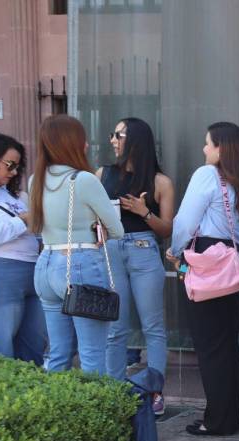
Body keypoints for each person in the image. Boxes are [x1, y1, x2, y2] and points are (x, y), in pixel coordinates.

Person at [167, 122, 239, 437]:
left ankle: (217, 420)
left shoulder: (207, 175)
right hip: (235, 263)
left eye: (208, 143)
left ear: (220, 147)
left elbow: (185, 221)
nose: (204, 150)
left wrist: (175, 250)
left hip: (208, 260)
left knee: (210, 347)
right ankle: (230, 415)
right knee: (227, 345)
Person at [29, 115, 123, 375]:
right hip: (80, 263)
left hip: (46, 264)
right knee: (92, 354)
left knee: (58, 352)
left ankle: (58, 414)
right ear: (74, 143)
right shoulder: (84, 180)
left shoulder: (35, 180)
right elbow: (117, 229)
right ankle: (93, 414)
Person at [100, 118, 175, 418]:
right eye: (113, 133)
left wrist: (144, 212)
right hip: (110, 248)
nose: (113, 140)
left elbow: (166, 229)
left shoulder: (160, 181)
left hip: (144, 249)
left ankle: (154, 391)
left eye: (118, 134)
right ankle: (114, 390)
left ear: (135, 140)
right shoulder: (102, 174)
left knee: (152, 326)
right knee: (115, 327)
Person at [0, 132, 45, 363]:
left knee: (33, 347)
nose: (13, 172)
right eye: (9, 165)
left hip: (31, 273)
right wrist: (22, 221)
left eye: (17, 166)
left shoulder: (12, 194)